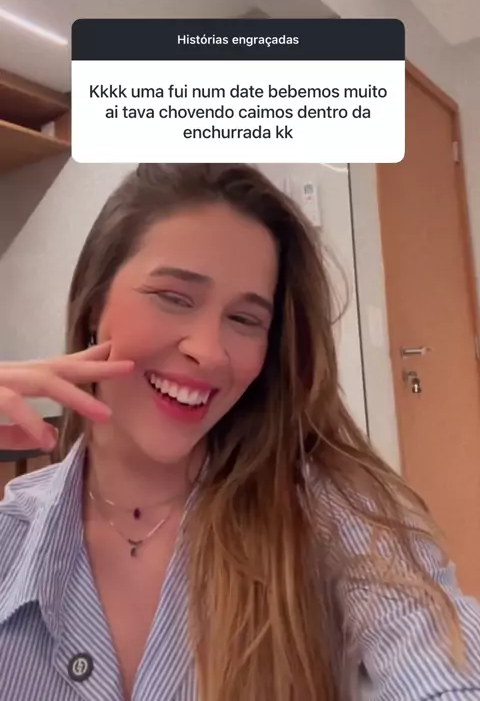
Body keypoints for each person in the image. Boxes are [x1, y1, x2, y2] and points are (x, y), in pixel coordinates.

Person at [0, 162, 479, 701]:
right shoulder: (13, 535)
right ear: (94, 305)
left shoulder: (330, 510)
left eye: (245, 320)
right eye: (174, 297)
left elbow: (442, 666)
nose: (209, 352)